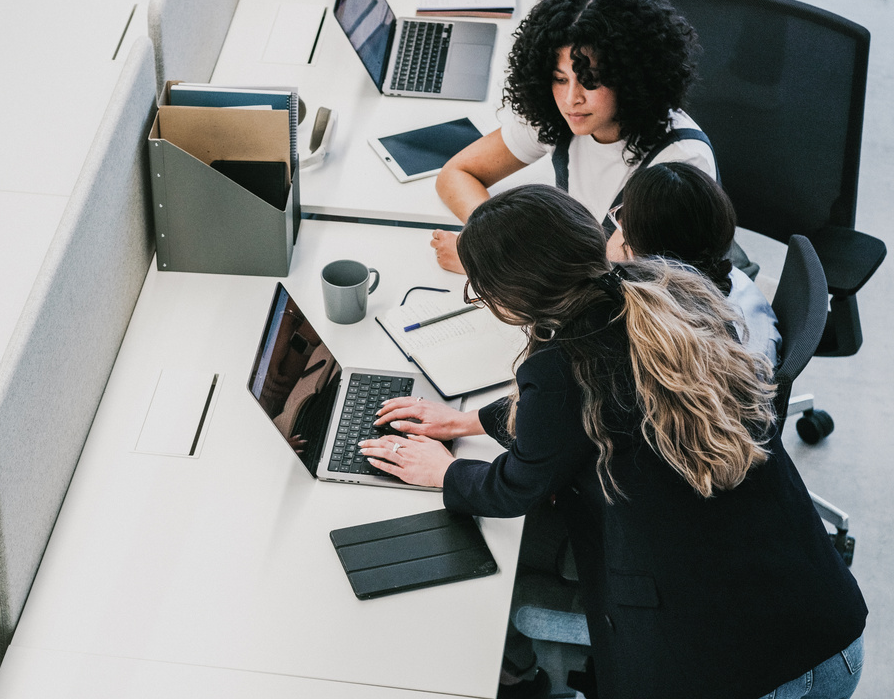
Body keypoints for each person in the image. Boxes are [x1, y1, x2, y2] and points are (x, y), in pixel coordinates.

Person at [363, 185, 866, 699]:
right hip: (824, 622)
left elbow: (517, 487)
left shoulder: (562, 368)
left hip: (749, 671)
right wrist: (467, 422)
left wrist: (442, 472)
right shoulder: (662, 294)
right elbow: (574, 414)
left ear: (512, 295)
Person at [431, 0, 714, 273]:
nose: (571, 98)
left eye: (590, 80)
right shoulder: (561, 116)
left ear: (632, 77)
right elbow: (456, 174)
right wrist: (488, 239)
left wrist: (488, 260)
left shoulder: (679, 162)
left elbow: (609, 286)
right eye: (560, 78)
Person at [611, 160, 780, 364]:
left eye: (625, 223)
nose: (619, 227)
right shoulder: (733, 276)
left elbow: (611, 253)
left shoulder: (675, 341)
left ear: (654, 255)